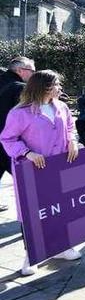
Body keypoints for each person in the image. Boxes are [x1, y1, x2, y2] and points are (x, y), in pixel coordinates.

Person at [1, 70, 81, 275]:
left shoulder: (62, 107)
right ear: (44, 87)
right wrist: (27, 153)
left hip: (61, 166)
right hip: (33, 170)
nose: (60, 88)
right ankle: (32, 255)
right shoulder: (20, 113)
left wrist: (73, 140)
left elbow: (71, 126)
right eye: (56, 85)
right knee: (32, 212)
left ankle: (62, 247)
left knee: (62, 207)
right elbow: (8, 139)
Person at [0, 57, 36, 212]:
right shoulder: (20, 88)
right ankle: (35, 213)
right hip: (9, 140)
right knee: (29, 179)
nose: (33, 75)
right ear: (21, 71)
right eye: (32, 71)